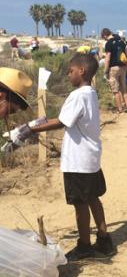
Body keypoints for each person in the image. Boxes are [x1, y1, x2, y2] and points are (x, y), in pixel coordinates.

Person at [9, 54, 116, 261]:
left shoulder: (77, 96)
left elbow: (61, 122)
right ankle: (104, 240)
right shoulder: (91, 93)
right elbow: (65, 119)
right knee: (93, 197)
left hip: (77, 161)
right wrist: (32, 125)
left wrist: (30, 129)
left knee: (80, 204)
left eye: (70, 70)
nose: (68, 74)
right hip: (91, 157)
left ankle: (85, 245)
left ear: (81, 71)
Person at [101, 28, 127, 114]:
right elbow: (126, 53)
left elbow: (107, 58)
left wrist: (105, 71)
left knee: (115, 90)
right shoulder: (121, 41)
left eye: (103, 38)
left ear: (104, 35)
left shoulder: (109, 43)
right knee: (124, 88)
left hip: (113, 68)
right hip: (122, 67)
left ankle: (120, 109)